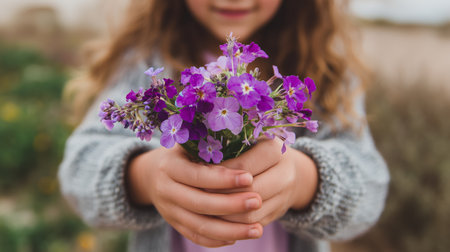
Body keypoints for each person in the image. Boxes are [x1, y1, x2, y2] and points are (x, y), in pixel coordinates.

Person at [59, 0, 390, 251]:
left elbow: (371, 186)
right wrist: (144, 177)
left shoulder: (326, 69)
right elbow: (78, 170)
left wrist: (304, 180)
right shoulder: (146, 56)